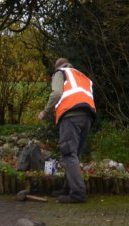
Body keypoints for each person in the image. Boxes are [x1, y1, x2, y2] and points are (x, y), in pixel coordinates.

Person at [38, 58, 96, 203]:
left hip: (71, 116)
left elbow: (57, 93)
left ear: (57, 66)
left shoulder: (60, 72)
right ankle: (68, 188)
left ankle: (77, 194)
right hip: (87, 116)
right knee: (74, 155)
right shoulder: (81, 75)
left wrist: (45, 112)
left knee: (69, 154)